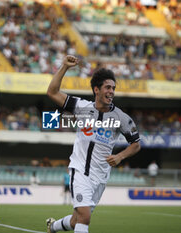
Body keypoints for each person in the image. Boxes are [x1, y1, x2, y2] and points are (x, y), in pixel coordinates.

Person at [46, 55, 141, 233]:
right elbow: (52, 92)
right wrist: (64, 67)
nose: (111, 91)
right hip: (80, 170)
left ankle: (54, 227)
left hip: (101, 177)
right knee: (85, 217)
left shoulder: (121, 118)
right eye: (107, 87)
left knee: (77, 220)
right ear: (96, 90)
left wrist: (120, 156)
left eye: (113, 88)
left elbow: (136, 144)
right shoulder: (81, 107)